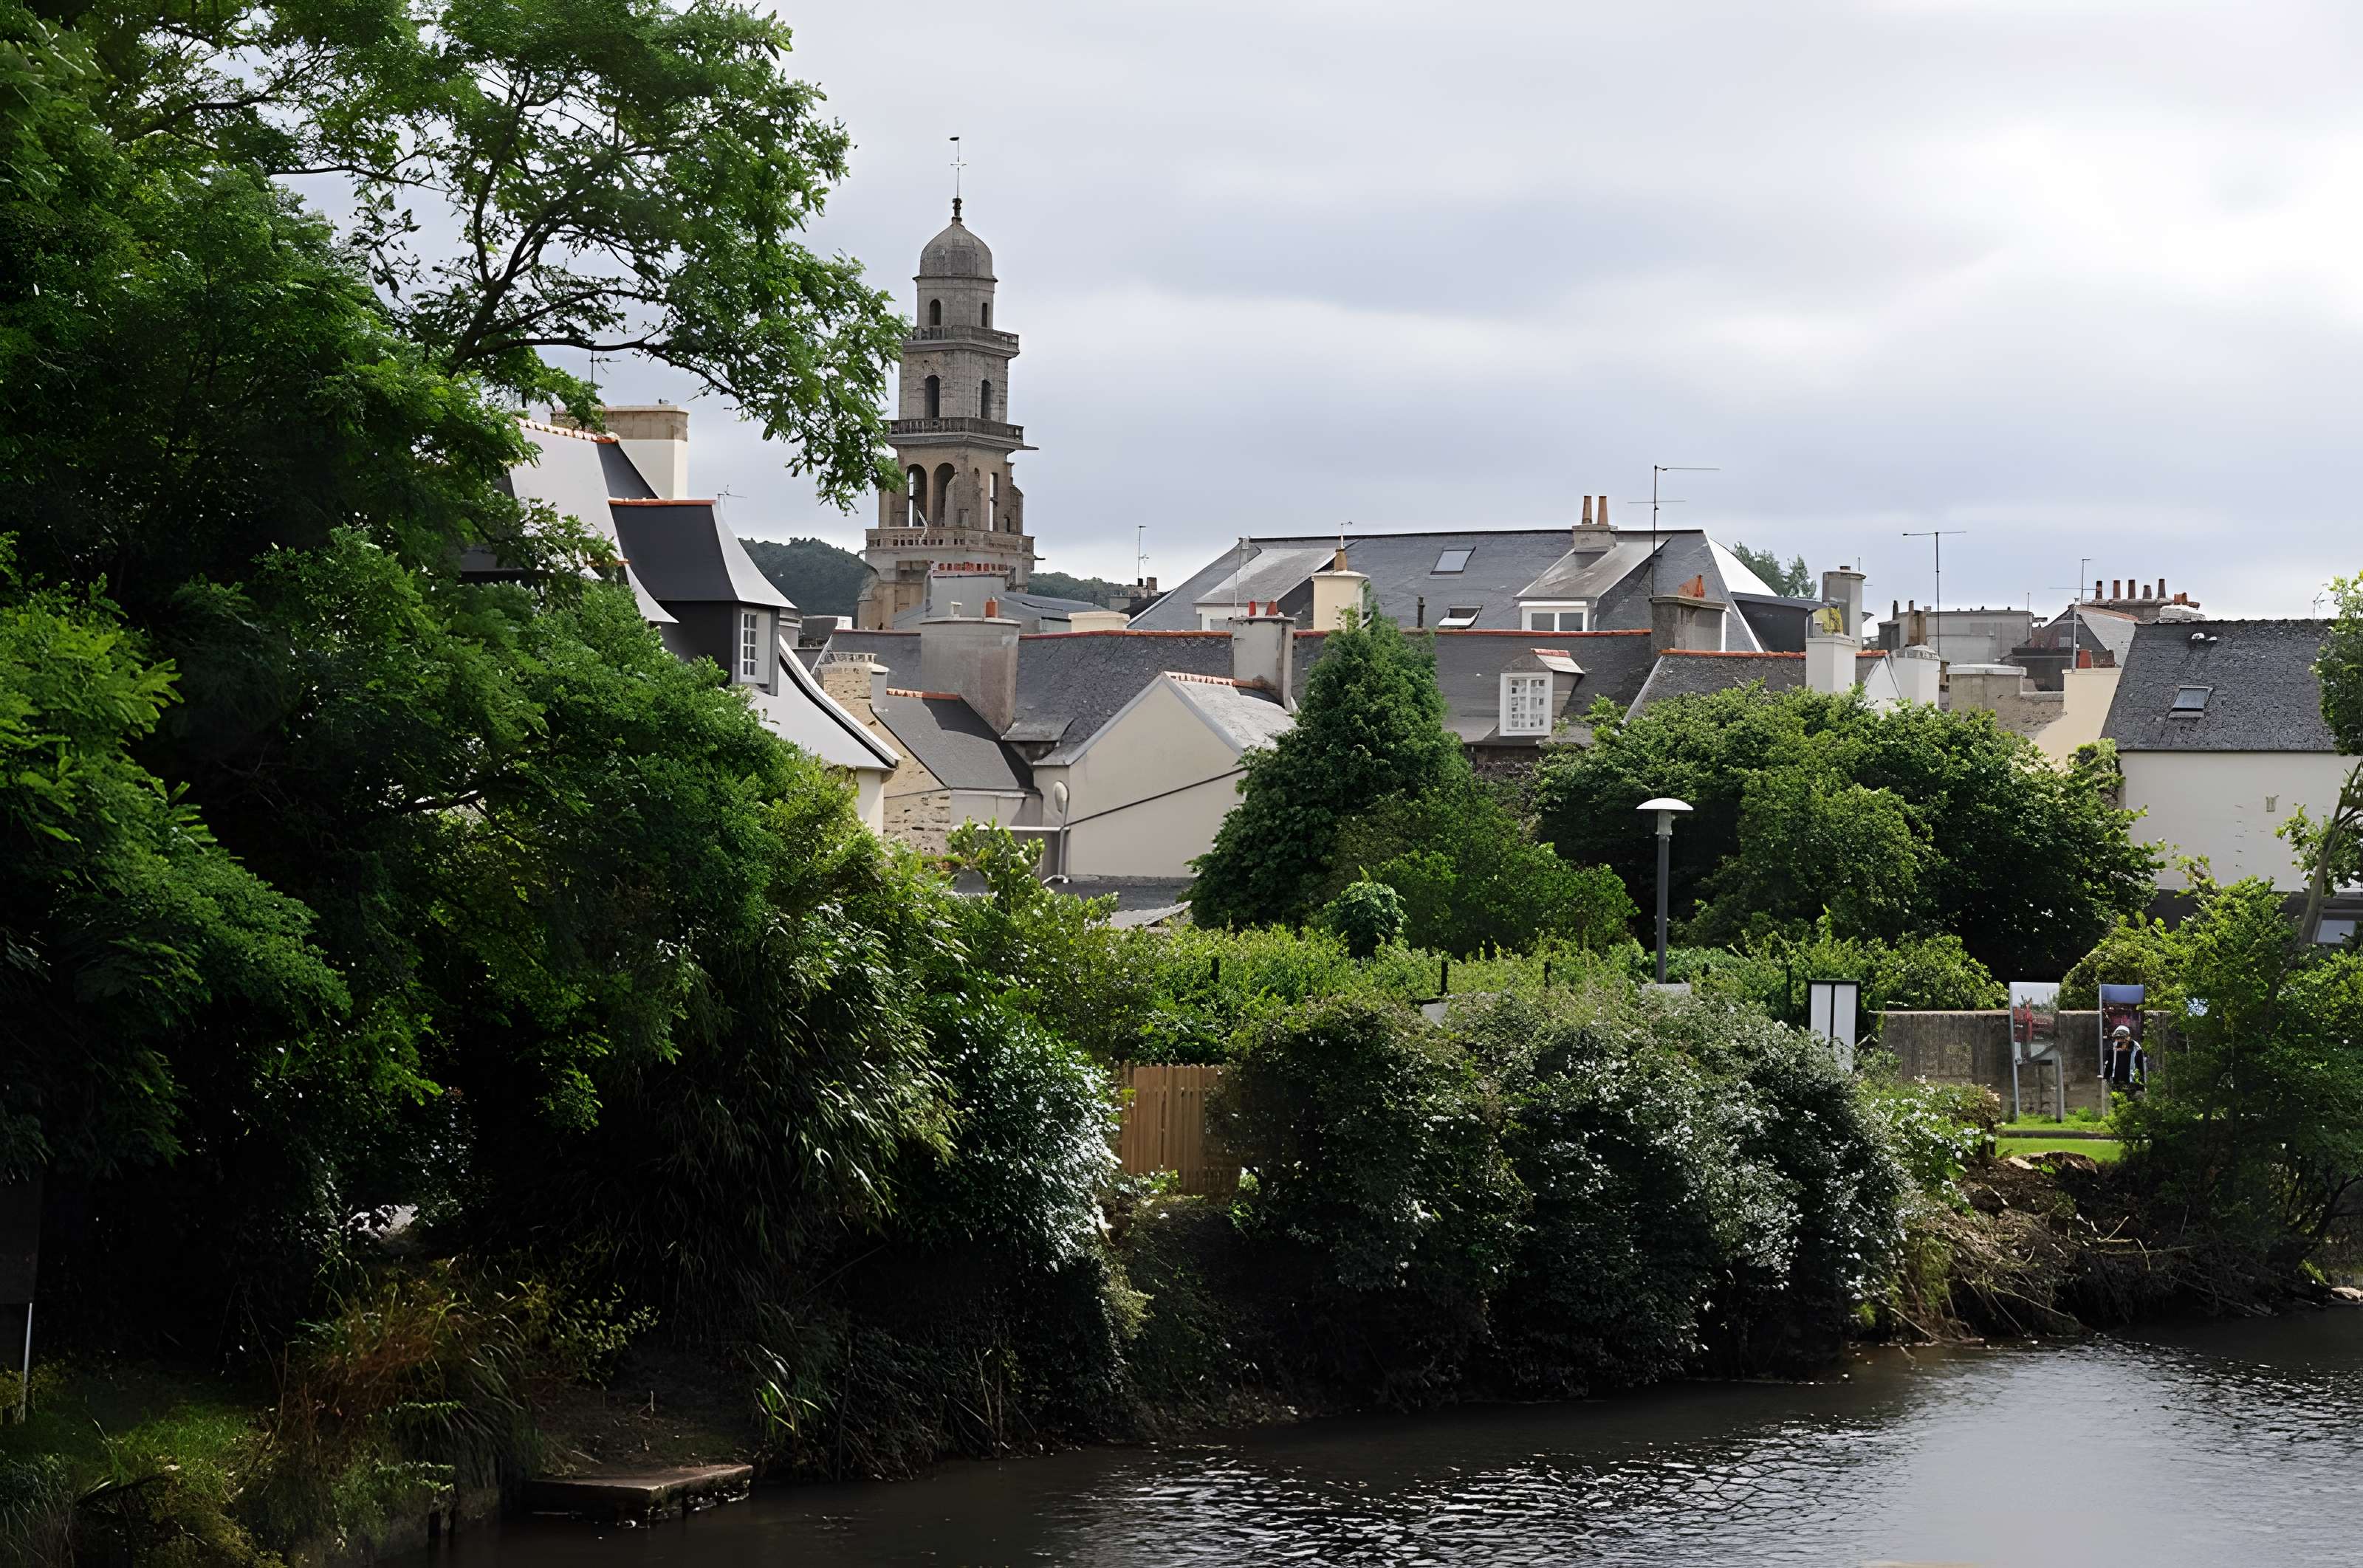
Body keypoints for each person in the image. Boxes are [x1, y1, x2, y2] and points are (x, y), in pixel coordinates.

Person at [2104, 1022, 2146, 1100]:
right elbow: (2108, 1067)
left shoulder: (2136, 1050)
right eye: (2117, 1039)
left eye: (2122, 1039)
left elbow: (2141, 1070)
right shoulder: (2112, 1049)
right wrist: (2106, 1082)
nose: (2120, 1041)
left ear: (2128, 1038)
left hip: (2131, 1085)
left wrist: (2141, 1089)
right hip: (2115, 1084)